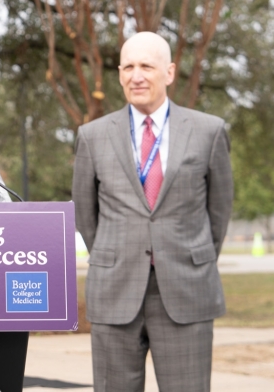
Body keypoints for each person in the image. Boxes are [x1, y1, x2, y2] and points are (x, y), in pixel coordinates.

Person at [71, 31, 233, 392]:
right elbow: (85, 214)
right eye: (128, 66)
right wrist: (116, 256)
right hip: (115, 290)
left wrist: (190, 257)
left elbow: (218, 213)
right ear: (119, 74)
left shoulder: (209, 131)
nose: (136, 75)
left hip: (185, 290)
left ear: (170, 72)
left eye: (146, 65)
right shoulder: (92, 136)